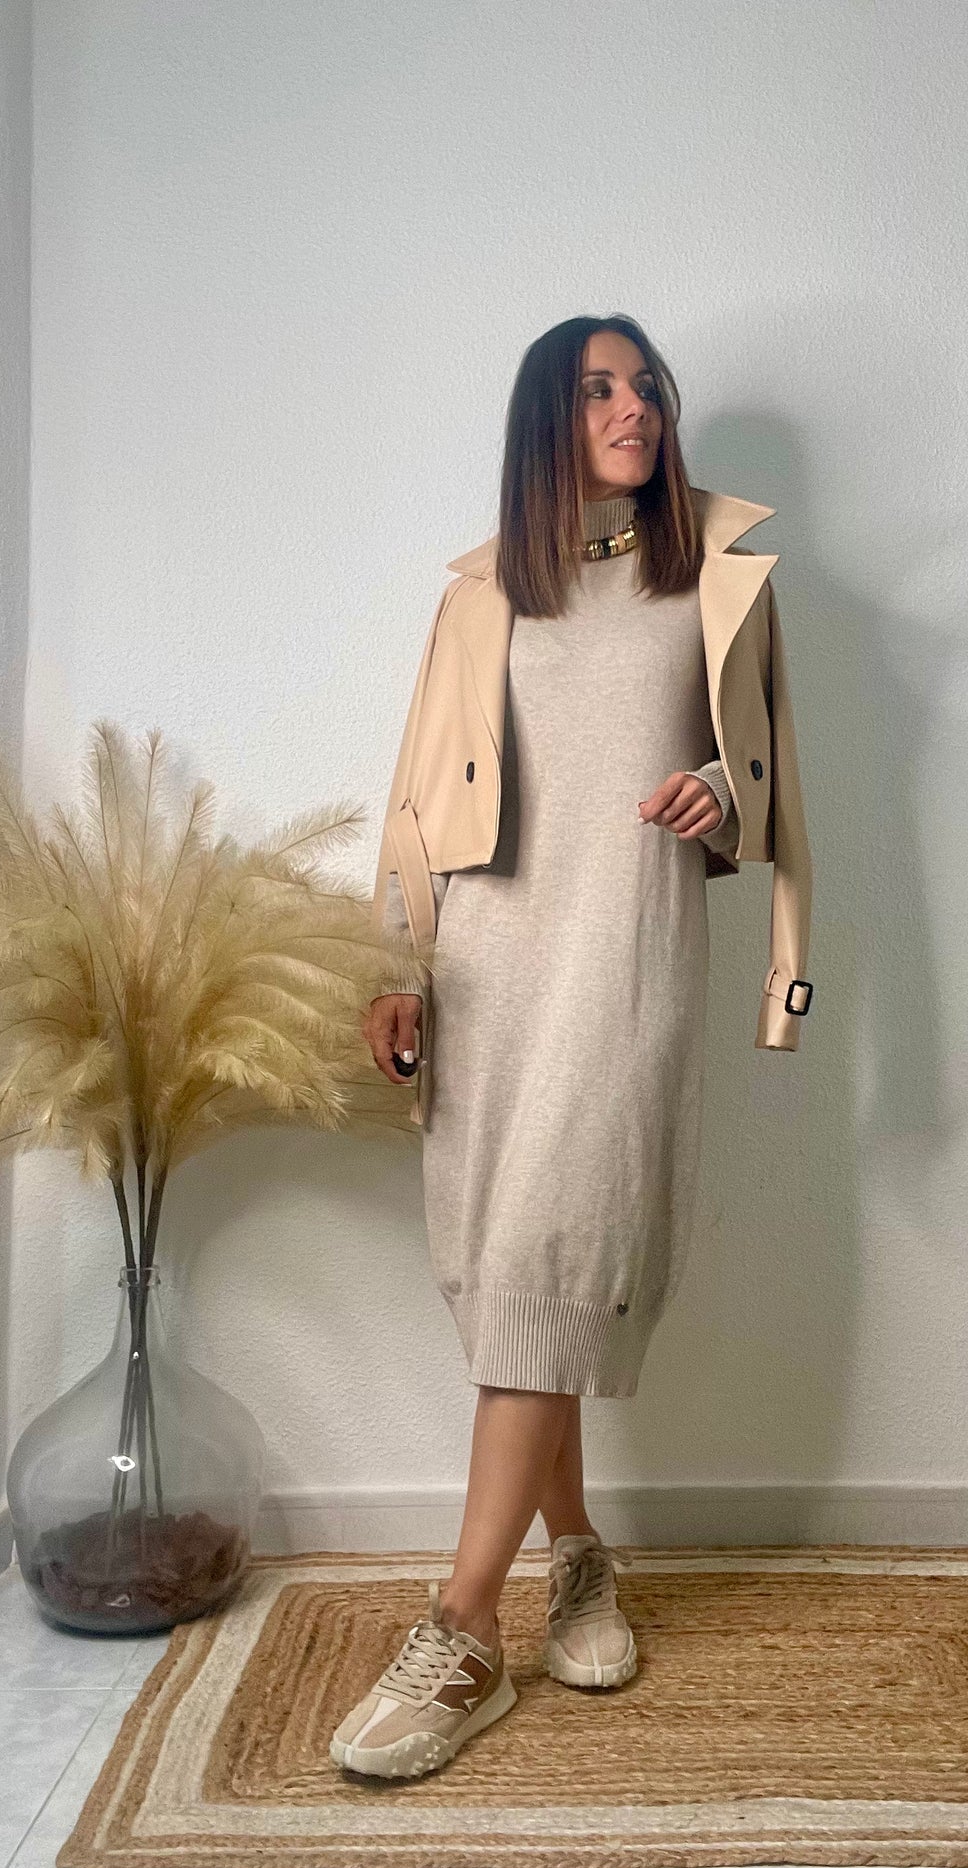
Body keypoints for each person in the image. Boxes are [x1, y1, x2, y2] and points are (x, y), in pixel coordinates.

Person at [331, 314, 812, 1780]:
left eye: (645, 385)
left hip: (626, 958)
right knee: (507, 1280)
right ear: (549, 416)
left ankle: (463, 1627)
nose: (634, 406)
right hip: (487, 967)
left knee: (551, 1256)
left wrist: (718, 793)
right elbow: (417, 797)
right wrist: (396, 967)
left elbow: (768, 777)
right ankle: (582, 1556)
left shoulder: (712, 578)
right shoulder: (483, 596)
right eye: (600, 387)